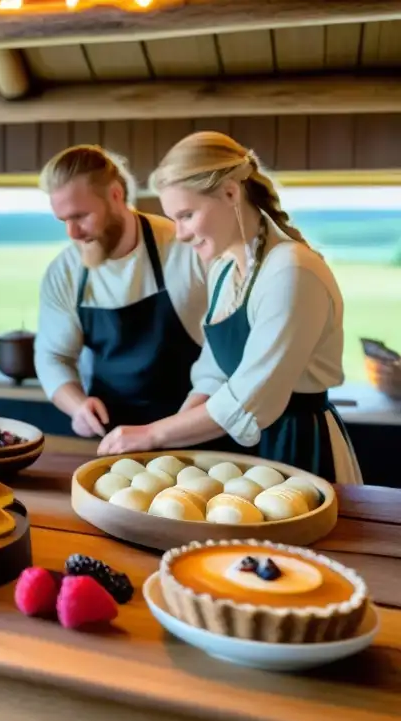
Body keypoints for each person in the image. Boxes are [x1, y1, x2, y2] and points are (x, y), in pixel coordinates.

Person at [97, 131, 362, 483]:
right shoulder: (224, 269)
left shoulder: (292, 271)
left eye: (187, 214)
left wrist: (152, 434)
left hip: (298, 447)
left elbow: (250, 401)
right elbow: (213, 373)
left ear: (230, 193)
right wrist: (171, 446)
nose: (180, 233)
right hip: (242, 451)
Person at [34, 145, 210, 439]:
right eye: (64, 220)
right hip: (114, 439)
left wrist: (171, 430)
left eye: (80, 216)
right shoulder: (64, 271)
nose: (72, 233)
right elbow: (53, 356)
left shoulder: (186, 251)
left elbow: (227, 355)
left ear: (116, 195)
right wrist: (77, 406)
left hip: (195, 430)